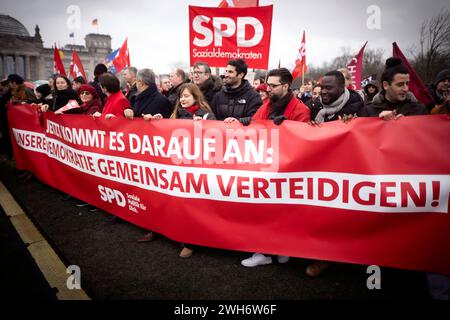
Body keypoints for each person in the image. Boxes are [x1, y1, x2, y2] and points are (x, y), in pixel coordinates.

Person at [241, 68, 310, 268]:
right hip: (267, 164)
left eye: (272, 85)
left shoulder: (301, 110)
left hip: (289, 168)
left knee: (284, 211)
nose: (267, 88)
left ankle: (282, 248)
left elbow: (304, 142)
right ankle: (264, 250)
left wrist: (288, 128)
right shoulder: (266, 106)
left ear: (286, 86)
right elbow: (255, 125)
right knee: (264, 210)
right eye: (267, 85)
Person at [306, 70, 365, 277]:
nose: (323, 91)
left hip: (348, 170)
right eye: (322, 87)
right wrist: (309, 128)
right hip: (321, 168)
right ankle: (320, 253)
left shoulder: (358, 108)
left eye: (328, 88)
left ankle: (334, 257)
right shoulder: (314, 107)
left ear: (342, 88)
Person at [211, 59, 262, 125]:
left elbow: (255, 119)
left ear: (240, 75)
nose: (226, 75)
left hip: (244, 134)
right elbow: (211, 117)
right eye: (226, 71)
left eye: (230, 72)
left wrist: (238, 122)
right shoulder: (218, 96)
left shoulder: (253, 97)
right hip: (221, 134)